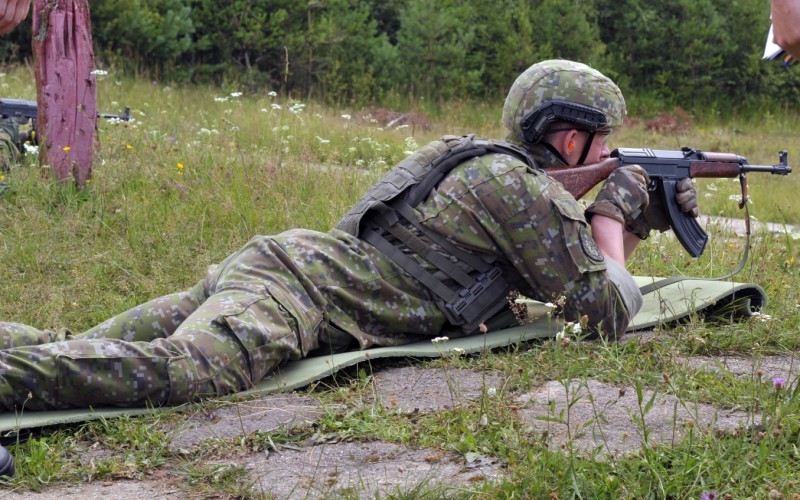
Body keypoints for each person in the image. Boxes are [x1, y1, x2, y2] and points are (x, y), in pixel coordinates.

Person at [0, 60, 699, 414]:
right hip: (295, 293)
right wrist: (615, 215)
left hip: (286, 269)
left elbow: (580, 281)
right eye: (604, 141)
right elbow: (604, 311)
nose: (608, 151)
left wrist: (628, 220)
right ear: (571, 139)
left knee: (76, 344)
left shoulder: (477, 161)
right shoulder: (517, 188)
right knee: (190, 373)